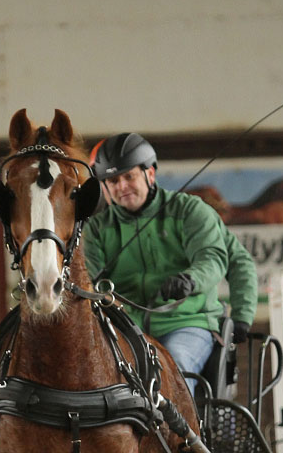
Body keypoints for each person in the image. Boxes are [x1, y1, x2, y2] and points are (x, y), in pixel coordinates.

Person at [84, 133, 258, 393]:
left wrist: (190, 281)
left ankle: (178, 433)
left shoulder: (190, 211)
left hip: (187, 323)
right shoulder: (96, 229)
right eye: (112, 180)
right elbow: (88, 281)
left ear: (150, 174)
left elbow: (215, 258)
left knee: (171, 368)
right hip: (124, 328)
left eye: (129, 176)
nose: (121, 187)